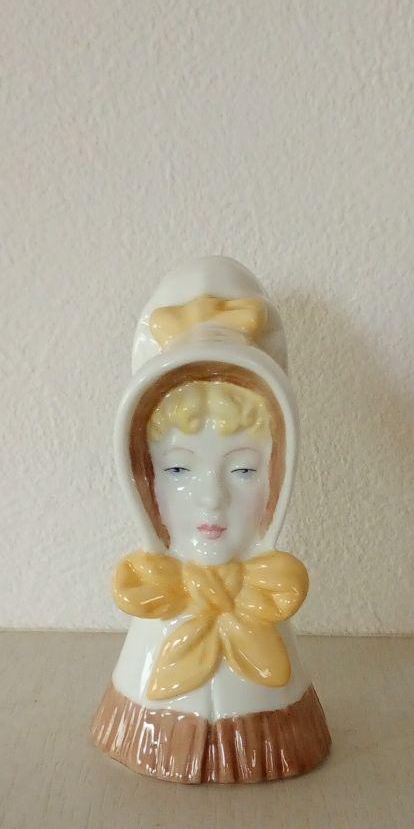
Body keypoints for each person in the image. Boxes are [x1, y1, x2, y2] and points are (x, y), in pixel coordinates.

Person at [90, 256, 330, 783]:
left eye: (243, 470)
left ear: (278, 474)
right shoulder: (156, 590)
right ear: (143, 477)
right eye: (178, 469)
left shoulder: (267, 590)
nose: (210, 501)